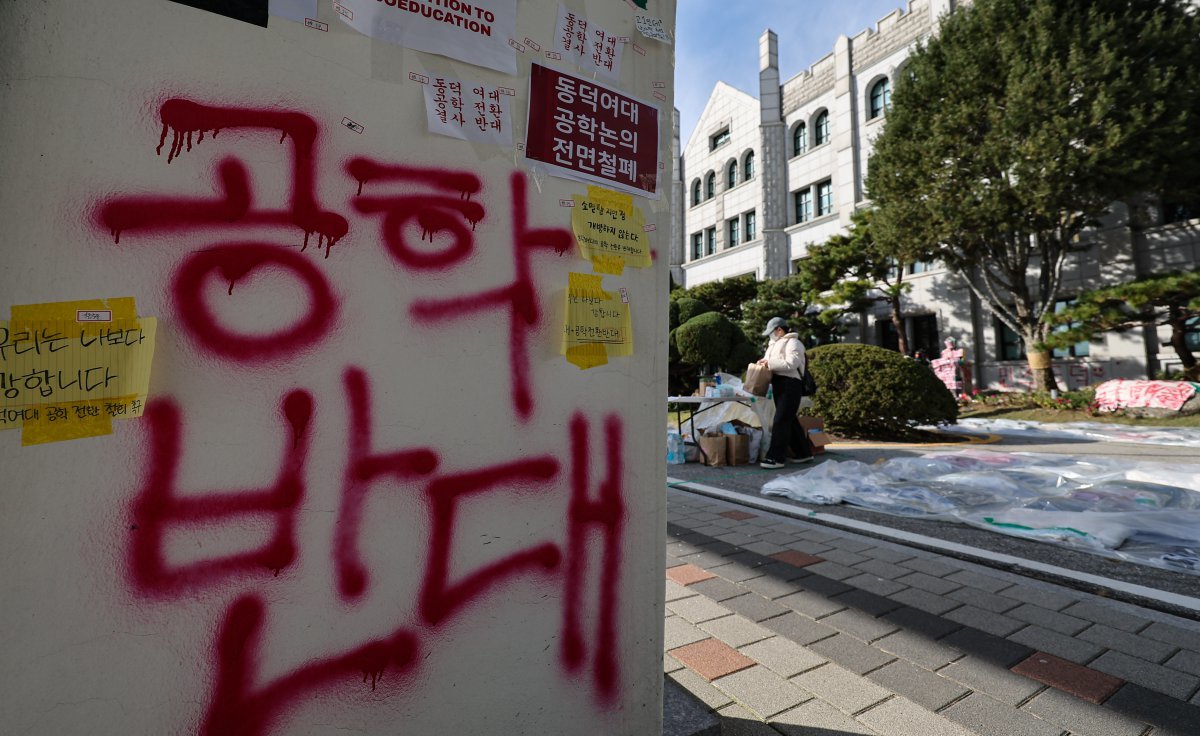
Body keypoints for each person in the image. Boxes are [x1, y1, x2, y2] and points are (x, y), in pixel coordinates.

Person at [756, 317, 814, 469]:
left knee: (781, 420)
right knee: (789, 419)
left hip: (791, 384)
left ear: (780, 330)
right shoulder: (773, 344)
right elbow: (770, 361)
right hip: (779, 384)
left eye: (771, 332)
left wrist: (769, 363)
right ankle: (804, 453)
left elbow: (791, 363)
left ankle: (776, 458)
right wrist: (763, 362)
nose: (770, 335)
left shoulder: (794, 343)